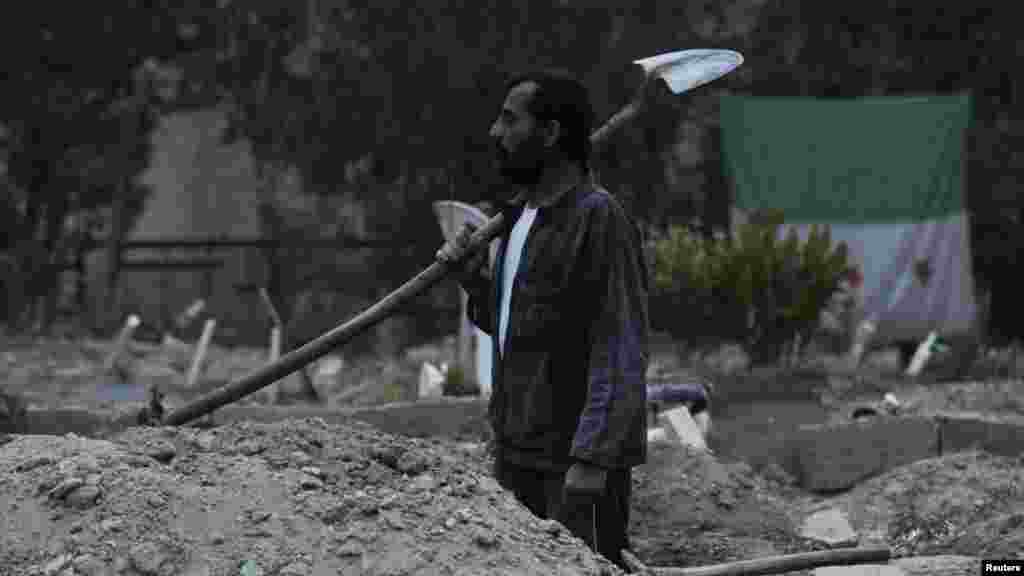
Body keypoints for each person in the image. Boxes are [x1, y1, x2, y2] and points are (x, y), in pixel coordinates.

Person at [436, 69, 649, 570]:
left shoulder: (599, 219)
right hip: (517, 457)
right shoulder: (517, 219)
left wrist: (593, 458)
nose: (495, 133)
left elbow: (620, 342)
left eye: (509, 120)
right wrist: (475, 283)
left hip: (573, 468)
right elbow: (519, 328)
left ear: (551, 134)